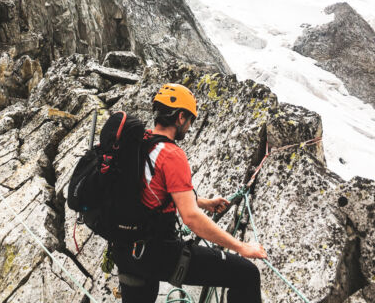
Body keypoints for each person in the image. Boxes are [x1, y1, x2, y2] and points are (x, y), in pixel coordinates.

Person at [111, 83, 267, 303]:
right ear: (181, 117)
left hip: (125, 248)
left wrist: (203, 202)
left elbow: (151, 189)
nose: (190, 126)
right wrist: (241, 247)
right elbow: (191, 218)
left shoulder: (140, 142)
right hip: (157, 253)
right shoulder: (172, 155)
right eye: (190, 120)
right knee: (246, 274)